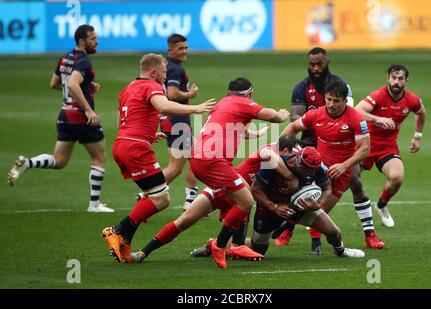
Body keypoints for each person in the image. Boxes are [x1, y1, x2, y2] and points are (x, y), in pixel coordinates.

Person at [101, 53, 215, 263]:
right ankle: (118, 230)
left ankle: (125, 239)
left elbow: (123, 119)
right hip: (135, 148)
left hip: (123, 143)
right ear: (153, 72)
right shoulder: (151, 86)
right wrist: (195, 108)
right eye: (163, 72)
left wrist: (148, 134)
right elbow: (163, 106)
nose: (165, 76)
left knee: (151, 195)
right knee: (162, 199)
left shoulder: (128, 88)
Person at [129, 135, 300, 263]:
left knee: (255, 245)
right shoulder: (269, 151)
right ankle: (143, 252)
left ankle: (213, 245)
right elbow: (267, 152)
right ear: (284, 150)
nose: (296, 159)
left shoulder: (281, 165)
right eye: (294, 154)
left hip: (235, 199)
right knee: (184, 221)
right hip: (225, 188)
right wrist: (292, 177)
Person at [279, 47, 384, 252]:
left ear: (345, 100)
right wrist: (281, 146)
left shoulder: (355, 118)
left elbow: (365, 149)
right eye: (328, 100)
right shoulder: (316, 112)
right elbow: (292, 125)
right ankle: (296, 233)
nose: (331, 104)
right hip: (318, 164)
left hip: (343, 168)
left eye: (336, 101)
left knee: (325, 206)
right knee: (302, 197)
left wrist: (344, 165)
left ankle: (362, 236)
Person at [7, 24, 113, 213]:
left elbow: (54, 83)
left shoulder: (65, 58)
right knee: (99, 157)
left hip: (65, 115)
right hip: (81, 117)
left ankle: (28, 163)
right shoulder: (84, 61)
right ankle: (94, 204)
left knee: (60, 160)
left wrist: (86, 88)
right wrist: (88, 109)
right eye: (93, 38)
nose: (97, 41)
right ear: (82, 41)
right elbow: (72, 84)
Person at [250, 147, 364, 258]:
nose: (312, 174)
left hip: (301, 208)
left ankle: (340, 251)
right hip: (271, 209)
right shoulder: (273, 165)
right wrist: (274, 207)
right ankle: (237, 244)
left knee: (334, 232)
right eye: (308, 171)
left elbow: (327, 188)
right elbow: (255, 189)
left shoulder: (317, 167)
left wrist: (319, 205)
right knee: (258, 251)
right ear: (298, 164)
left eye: (314, 171)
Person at [350, 64, 426, 228]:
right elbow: (357, 111)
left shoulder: (412, 100)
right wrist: (378, 119)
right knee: (344, 179)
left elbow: (421, 113)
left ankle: (381, 206)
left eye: (400, 79)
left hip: (387, 146)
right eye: (394, 78)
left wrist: (417, 137)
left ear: (406, 81)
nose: (396, 82)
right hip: (365, 144)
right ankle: (318, 214)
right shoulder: (378, 95)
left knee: (397, 178)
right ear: (388, 78)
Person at [159, 34, 199, 210]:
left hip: (174, 121)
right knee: (175, 168)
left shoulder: (168, 67)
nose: (185, 51)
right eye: (180, 48)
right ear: (170, 50)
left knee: (197, 156)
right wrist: (190, 95)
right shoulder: (175, 69)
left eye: (186, 47)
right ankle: (149, 191)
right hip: (178, 122)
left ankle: (191, 199)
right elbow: (172, 94)